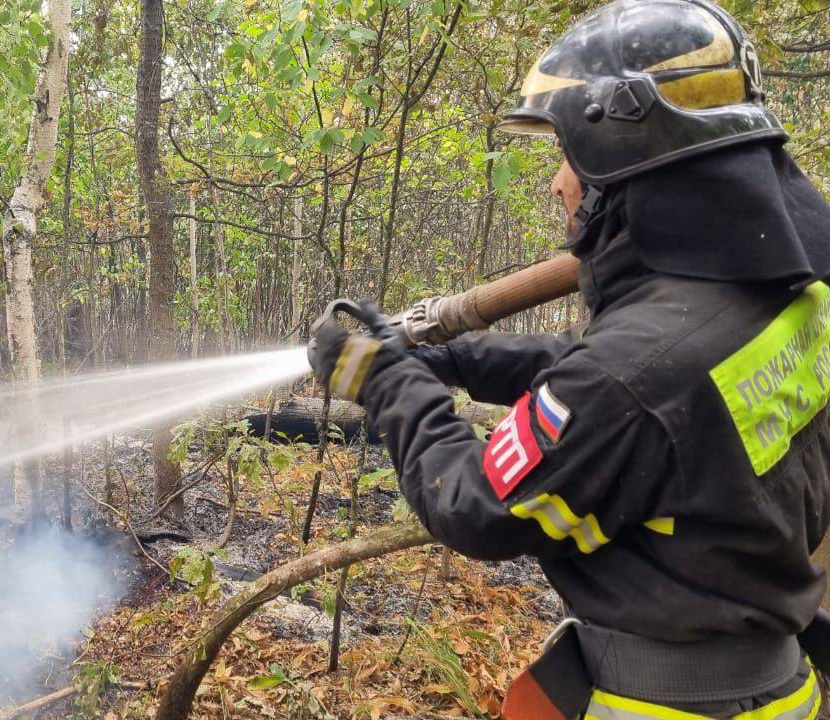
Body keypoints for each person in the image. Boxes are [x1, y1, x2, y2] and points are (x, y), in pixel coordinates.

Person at [308, 1, 830, 719]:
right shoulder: (778, 302)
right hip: (777, 684)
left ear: (625, 157)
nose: (559, 183)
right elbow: (613, 376)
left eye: (567, 155)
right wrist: (449, 358)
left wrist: (384, 381)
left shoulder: (638, 373)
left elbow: (475, 504)